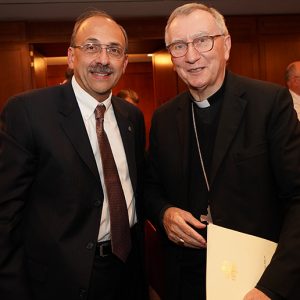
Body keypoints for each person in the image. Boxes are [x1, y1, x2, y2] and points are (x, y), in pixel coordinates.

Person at [144, 2, 300, 300]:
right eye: (178, 46)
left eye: (202, 40)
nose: (191, 56)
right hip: (186, 282)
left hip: (259, 280)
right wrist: (165, 213)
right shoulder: (164, 118)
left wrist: (272, 287)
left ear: (226, 45)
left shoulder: (268, 103)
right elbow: (150, 186)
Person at [0, 9, 146, 300]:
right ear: (71, 56)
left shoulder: (133, 117)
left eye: (114, 50)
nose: (103, 60)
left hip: (127, 273)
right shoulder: (28, 112)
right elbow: (5, 216)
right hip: (57, 281)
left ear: (125, 62)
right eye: (91, 47)